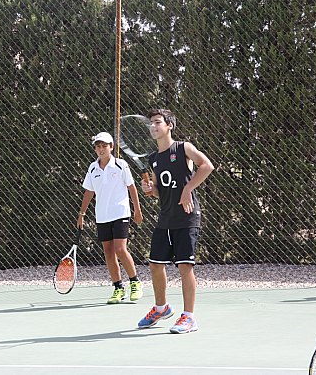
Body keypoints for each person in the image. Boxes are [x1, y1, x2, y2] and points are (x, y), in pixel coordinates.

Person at [137, 108, 214, 334]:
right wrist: (150, 190)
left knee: (184, 266)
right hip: (166, 218)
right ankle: (161, 308)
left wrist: (188, 188)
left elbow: (207, 166)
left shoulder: (183, 148)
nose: (153, 126)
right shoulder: (154, 159)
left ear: (169, 125)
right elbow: (160, 190)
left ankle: (189, 317)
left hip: (187, 217)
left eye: (158, 122)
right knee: (155, 264)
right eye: (151, 123)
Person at [77, 131, 144, 304]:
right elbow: (89, 192)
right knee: (108, 252)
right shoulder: (92, 168)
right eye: (98, 146)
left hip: (120, 213)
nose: (101, 149)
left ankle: (135, 283)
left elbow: (132, 187)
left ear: (111, 147)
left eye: (104, 146)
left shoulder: (121, 165)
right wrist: (82, 214)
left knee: (120, 249)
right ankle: (118, 288)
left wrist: (137, 210)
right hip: (102, 216)